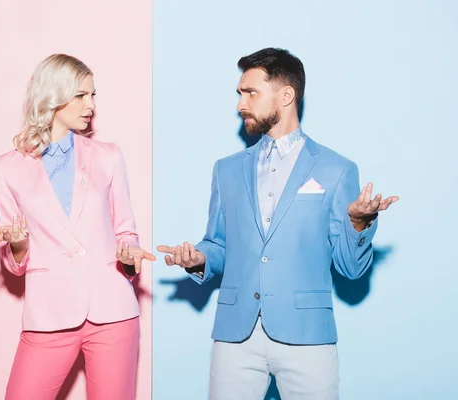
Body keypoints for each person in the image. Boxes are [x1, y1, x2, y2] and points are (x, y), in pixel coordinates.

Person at [157, 47, 399, 400]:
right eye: (240, 93)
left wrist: (358, 224)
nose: (241, 104)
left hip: (307, 335)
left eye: (250, 92)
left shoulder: (336, 169)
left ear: (286, 95)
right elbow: (219, 244)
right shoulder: (226, 169)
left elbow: (351, 269)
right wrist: (200, 258)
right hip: (235, 334)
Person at [0, 53, 155, 400]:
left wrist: (129, 255)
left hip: (113, 314)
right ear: (52, 96)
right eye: (81, 95)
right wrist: (18, 244)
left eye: (93, 95)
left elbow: (126, 229)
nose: (91, 105)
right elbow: (13, 260)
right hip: (48, 315)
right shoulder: (6, 168)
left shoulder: (108, 155)